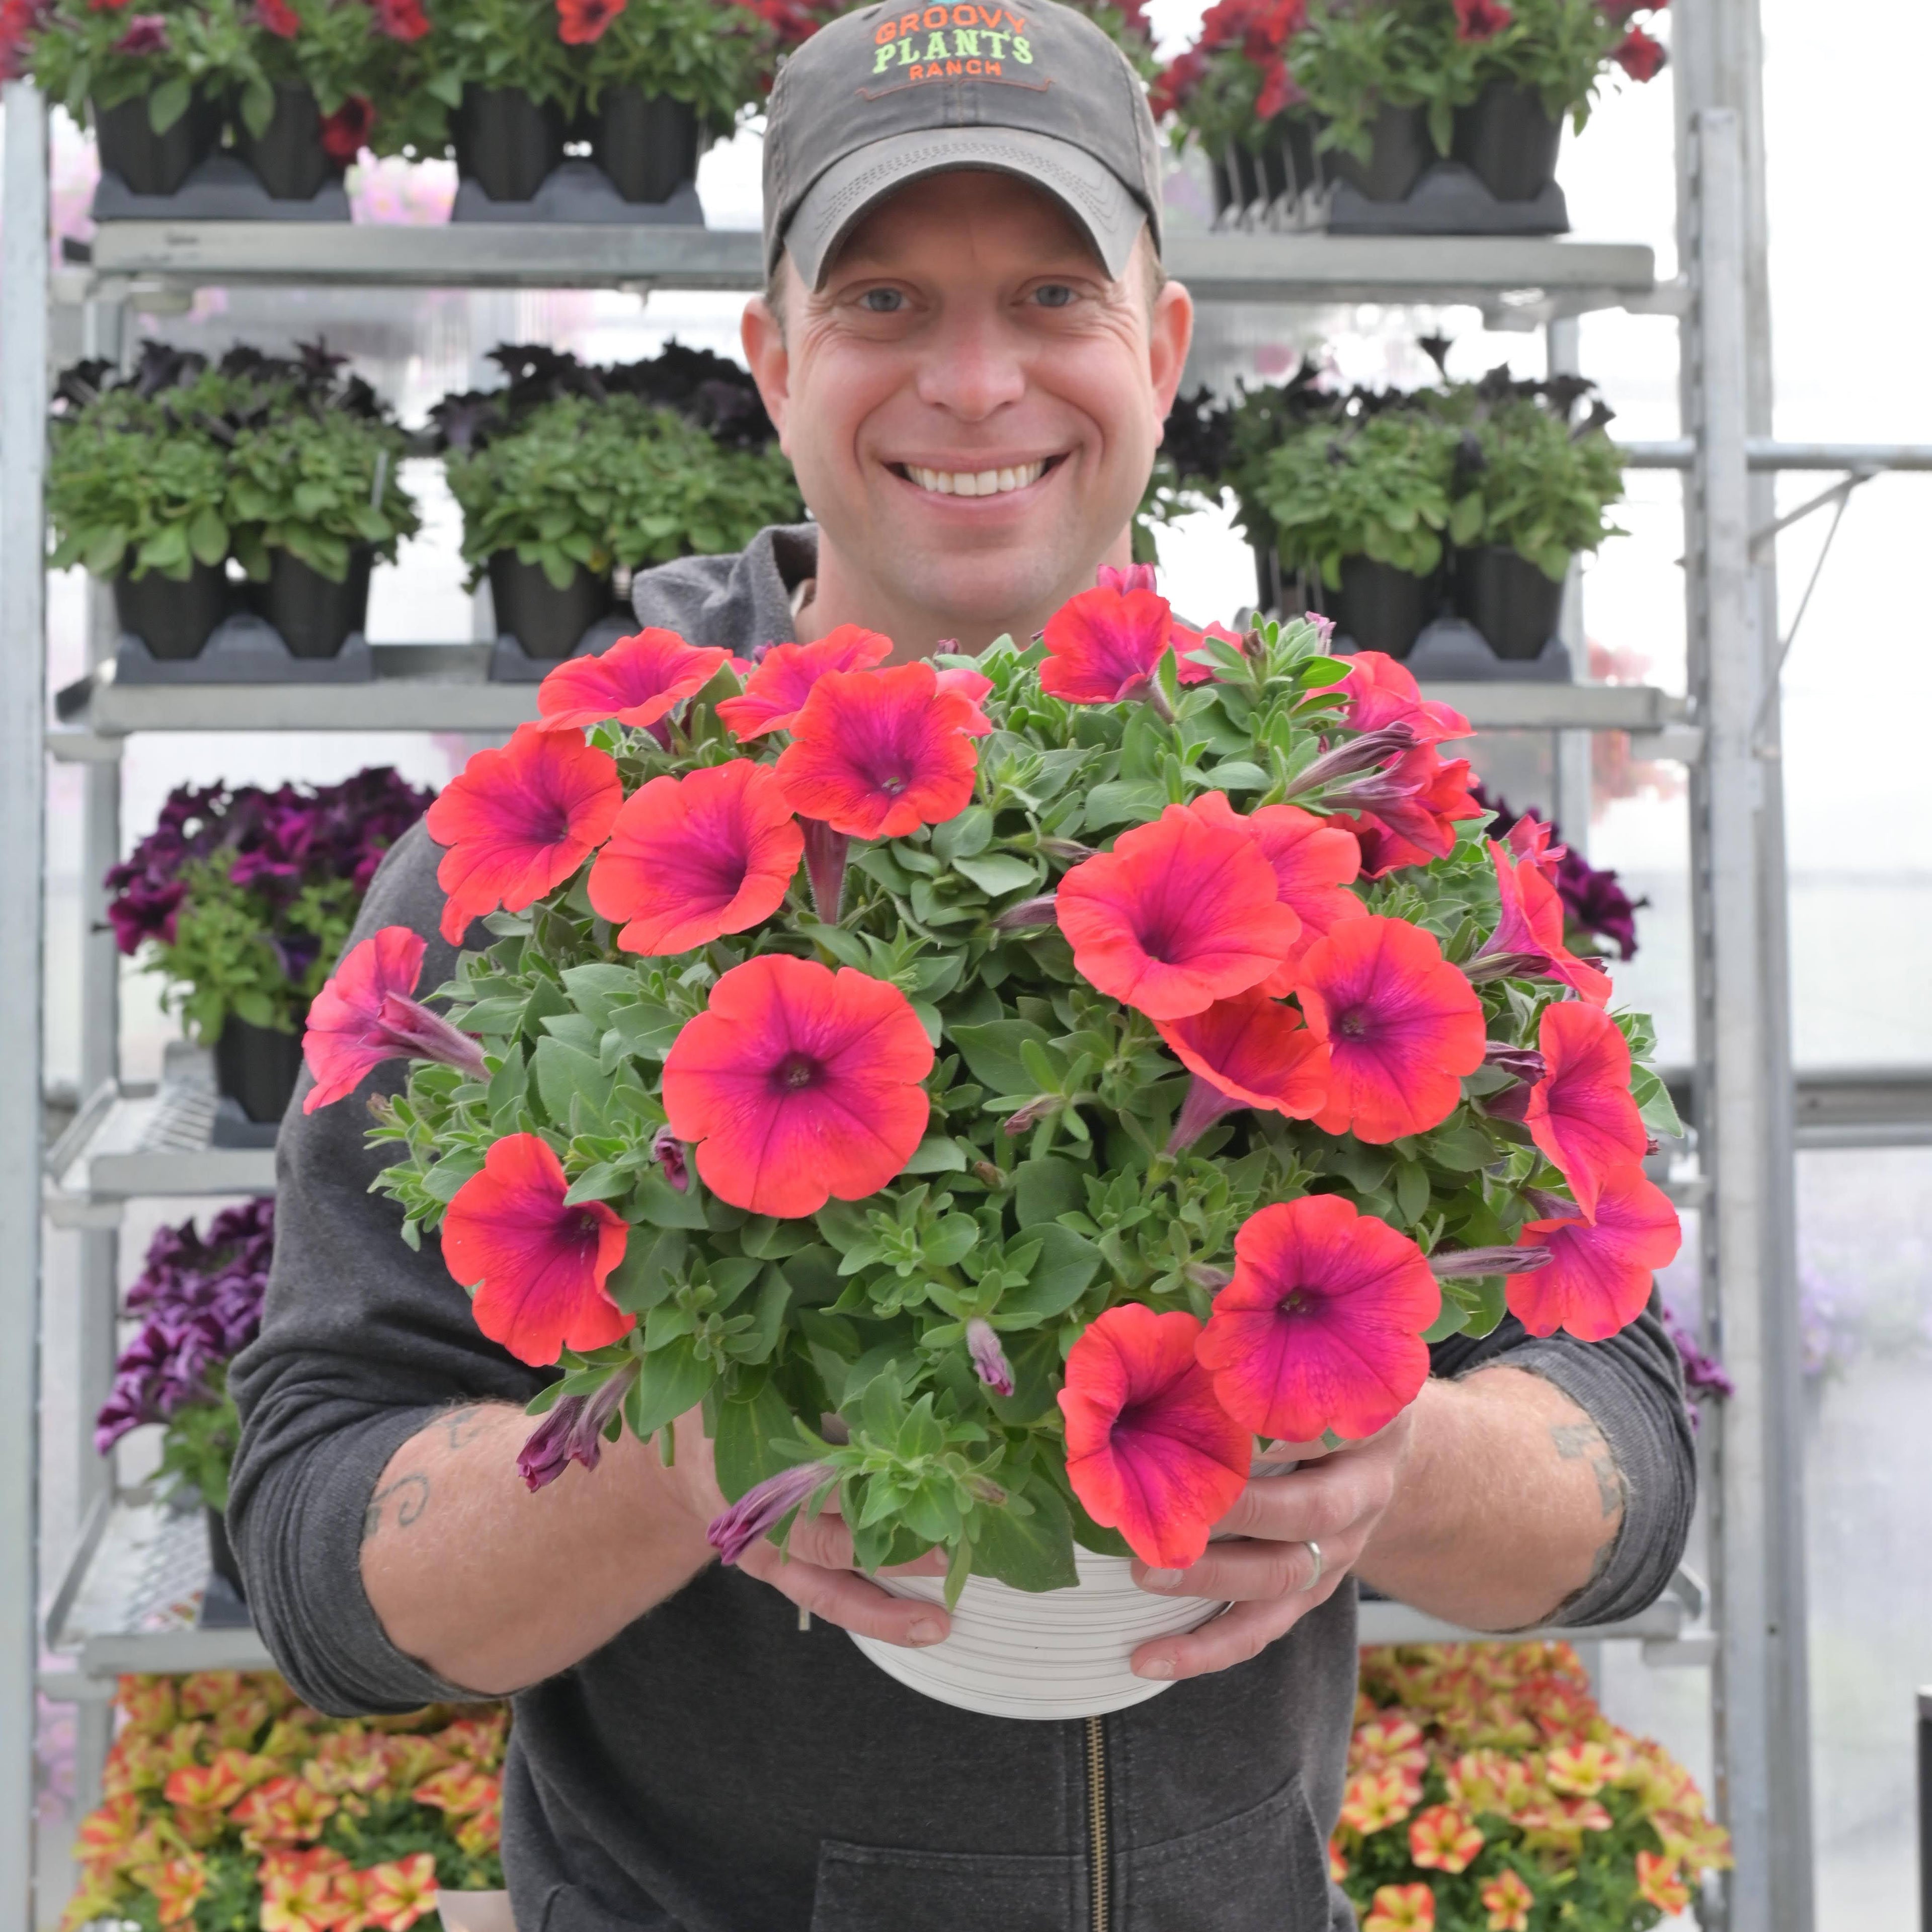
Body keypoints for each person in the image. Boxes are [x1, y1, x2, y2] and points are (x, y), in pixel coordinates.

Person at [229, 6, 1696, 1928]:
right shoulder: (544, 858)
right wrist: (687, 1463)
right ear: (775, 360)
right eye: (890, 301)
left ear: (1161, 350)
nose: (980, 379)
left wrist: (1395, 1461)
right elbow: (322, 1565)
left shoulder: (1359, 827)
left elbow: (1634, 1467)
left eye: (1054, 294)